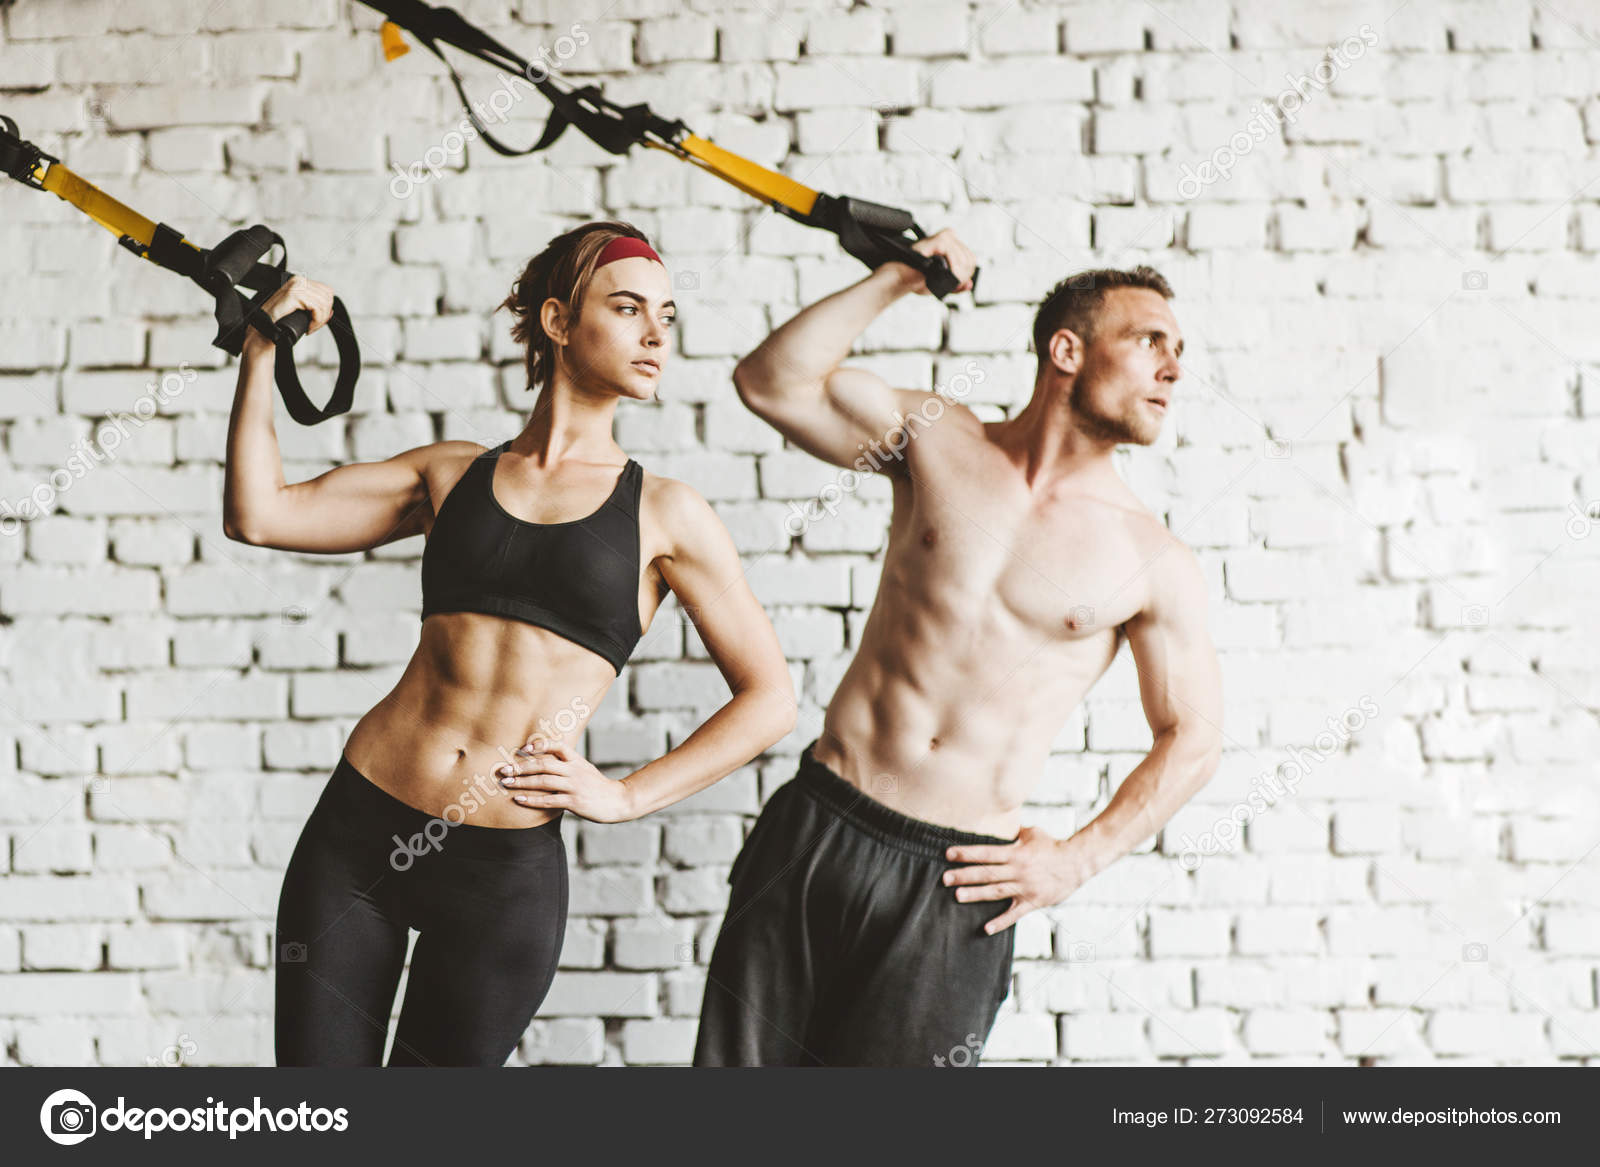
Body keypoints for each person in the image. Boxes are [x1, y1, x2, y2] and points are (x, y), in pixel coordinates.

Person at [223, 221, 795, 1067]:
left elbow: (771, 698)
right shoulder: (451, 474)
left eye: (667, 316)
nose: (655, 335)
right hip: (357, 836)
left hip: (500, 875)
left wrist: (626, 795)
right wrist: (260, 349)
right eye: (628, 308)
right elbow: (259, 514)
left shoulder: (668, 514)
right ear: (559, 321)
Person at [693, 231, 1224, 1067]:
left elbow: (1194, 736)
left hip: (957, 879)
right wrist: (898, 277)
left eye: (1179, 352)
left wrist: (1076, 860)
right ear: (1067, 350)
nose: (1173, 369)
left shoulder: (1151, 558)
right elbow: (771, 382)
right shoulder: (937, 440)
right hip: (821, 821)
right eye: (1150, 341)